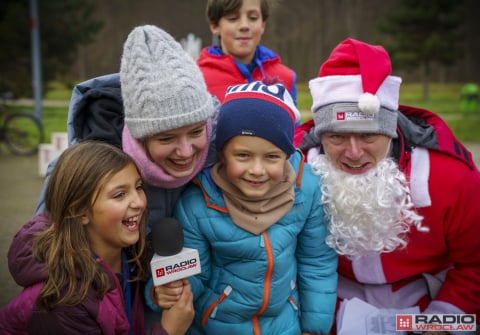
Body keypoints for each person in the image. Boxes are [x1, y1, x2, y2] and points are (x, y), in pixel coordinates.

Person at [8, 25, 216, 328]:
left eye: (196, 132)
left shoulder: (220, 149)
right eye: (167, 138)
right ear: (138, 138)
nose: (186, 152)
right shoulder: (90, 168)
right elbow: (40, 251)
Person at [294, 38, 480, 334]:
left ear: (391, 131)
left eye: (368, 136)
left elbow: (476, 266)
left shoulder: (450, 176)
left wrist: (443, 322)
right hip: (327, 310)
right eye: (337, 138)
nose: (354, 153)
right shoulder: (296, 171)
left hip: (430, 307)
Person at [156, 81, 338, 335]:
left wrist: (314, 327)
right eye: (242, 155)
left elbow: (316, 262)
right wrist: (169, 289)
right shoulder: (196, 204)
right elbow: (195, 275)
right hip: (218, 326)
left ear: (286, 155)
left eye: (271, 157)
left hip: (285, 325)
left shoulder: (306, 189)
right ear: (222, 154)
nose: (256, 170)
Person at [0, 141, 194, 335]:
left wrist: (155, 292)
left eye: (139, 187)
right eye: (119, 195)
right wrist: (169, 331)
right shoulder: (63, 302)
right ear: (79, 211)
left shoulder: (126, 251)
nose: (139, 202)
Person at [197, 0, 298, 107]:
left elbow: (294, 123)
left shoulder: (286, 77)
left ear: (263, 24)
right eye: (233, 18)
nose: (244, 26)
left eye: (253, 18)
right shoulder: (198, 80)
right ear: (215, 27)